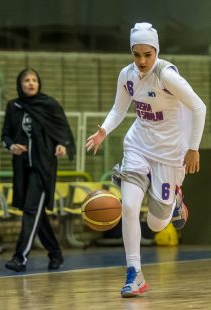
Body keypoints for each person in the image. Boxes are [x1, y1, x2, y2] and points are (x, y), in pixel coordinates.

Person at [86, 22, 206, 298]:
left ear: (156, 51)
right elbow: (119, 108)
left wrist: (193, 148)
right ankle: (134, 273)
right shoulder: (127, 75)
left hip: (170, 154)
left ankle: (174, 200)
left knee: (154, 224)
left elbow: (199, 107)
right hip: (138, 145)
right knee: (128, 206)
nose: (141, 61)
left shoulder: (167, 75)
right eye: (136, 54)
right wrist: (104, 130)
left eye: (147, 55)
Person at [1, 68, 75, 272]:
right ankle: (55, 253)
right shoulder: (13, 106)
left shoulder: (49, 105)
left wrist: (62, 144)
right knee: (36, 213)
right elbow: (5, 135)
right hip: (22, 167)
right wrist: (11, 146)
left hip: (43, 167)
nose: (31, 83)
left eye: (34, 80)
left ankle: (20, 257)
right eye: (26, 80)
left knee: (31, 209)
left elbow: (62, 130)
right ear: (20, 84)